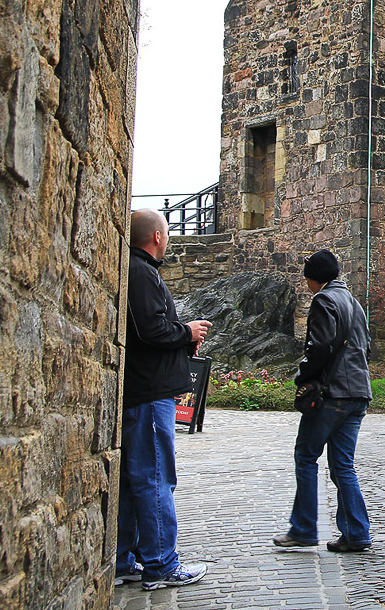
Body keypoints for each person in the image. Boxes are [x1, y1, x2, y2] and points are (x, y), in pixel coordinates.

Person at [116, 209, 212, 590]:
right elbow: (150, 329)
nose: (168, 239)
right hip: (150, 393)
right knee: (155, 479)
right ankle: (161, 565)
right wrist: (185, 332)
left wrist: (182, 337)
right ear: (157, 236)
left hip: (142, 389)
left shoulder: (137, 270)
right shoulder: (141, 272)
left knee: (133, 480)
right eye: (167, 234)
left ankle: (124, 559)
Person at [274, 250, 374, 552]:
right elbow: (366, 347)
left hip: (332, 393)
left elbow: (319, 346)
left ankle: (304, 528)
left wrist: (303, 378)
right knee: (343, 465)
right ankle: (356, 532)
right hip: (358, 392)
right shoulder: (354, 303)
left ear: (313, 277)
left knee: (305, 456)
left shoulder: (324, 300)